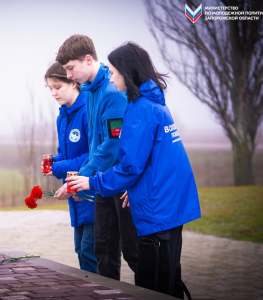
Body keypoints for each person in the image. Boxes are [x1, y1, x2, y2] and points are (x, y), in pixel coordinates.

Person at [66, 42, 201, 299]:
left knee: (153, 286)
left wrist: (91, 182)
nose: (112, 76)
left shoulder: (140, 111)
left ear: (128, 72)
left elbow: (129, 167)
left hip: (157, 211)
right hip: (171, 206)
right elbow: (157, 162)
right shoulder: (156, 105)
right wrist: (133, 187)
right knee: (170, 278)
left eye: (115, 72)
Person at [54, 34, 138, 281]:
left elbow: (111, 146)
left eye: (70, 68)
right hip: (101, 182)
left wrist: (81, 177)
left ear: (88, 60)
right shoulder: (90, 92)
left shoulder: (112, 93)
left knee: (133, 255)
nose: (68, 76)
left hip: (118, 182)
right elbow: (95, 145)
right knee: (102, 251)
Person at [42, 62, 97, 273]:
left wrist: (60, 167)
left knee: (90, 254)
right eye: (50, 88)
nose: (53, 93)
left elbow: (94, 156)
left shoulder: (88, 111)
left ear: (72, 82)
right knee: (80, 250)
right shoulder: (62, 116)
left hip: (93, 192)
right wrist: (54, 162)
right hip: (75, 195)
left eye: (57, 86)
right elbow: (66, 154)